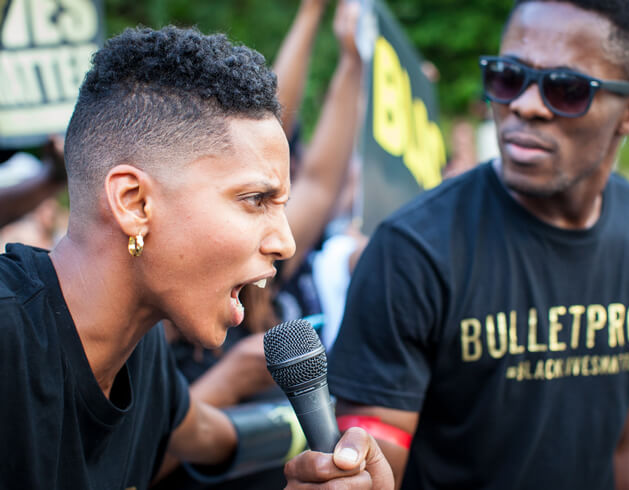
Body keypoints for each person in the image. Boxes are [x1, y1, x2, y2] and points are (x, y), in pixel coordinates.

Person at [0, 25, 391, 489]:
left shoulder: (140, 358)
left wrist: (331, 463)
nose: (285, 243)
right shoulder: (10, 339)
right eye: (254, 199)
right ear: (134, 202)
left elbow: (213, 435)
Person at [328, 0, 629, 488]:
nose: (525, 104)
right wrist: (353, 468)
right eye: (507, 76)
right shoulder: (414, 250)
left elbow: (622, 442)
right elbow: (376, 453)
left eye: (566, 88)